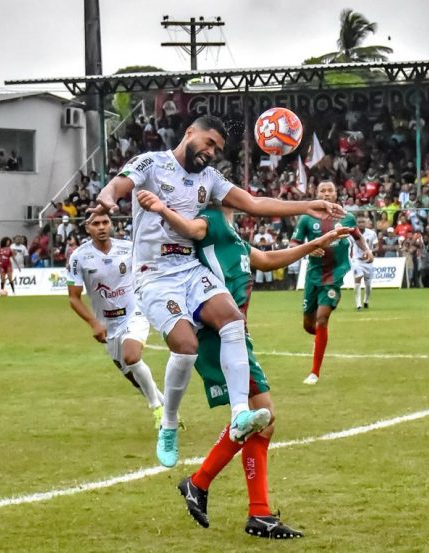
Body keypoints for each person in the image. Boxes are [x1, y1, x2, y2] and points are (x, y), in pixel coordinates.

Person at [92, 115, 344, 467]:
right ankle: (168, 424)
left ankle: (241, 411)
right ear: (190, 133)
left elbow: (254, 204)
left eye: (217, 150)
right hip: (153, 275)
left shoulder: (209, 179)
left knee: (231, 319)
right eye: (209, 144)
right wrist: (106, 198)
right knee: (186, 346)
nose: (211, 153)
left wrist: (306, 205)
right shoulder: (151, 162)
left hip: (189, 269)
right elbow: (117, 186)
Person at [145, 202, 348, 538]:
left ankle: (221, 494)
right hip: (218, 337)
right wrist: (162, 208)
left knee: (261, 422)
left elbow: (265, 259)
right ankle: (226, 496)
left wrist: (314, 244)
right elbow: (189, 231)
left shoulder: (232, 237)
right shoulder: (207, 224)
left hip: (236, 337)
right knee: (263, 416)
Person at [67, 213, 164, 427]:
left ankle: (158, 411)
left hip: (134, 313)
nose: (101, 227)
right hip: (107, 323)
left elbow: (149, 272)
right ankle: (166, 406)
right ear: (87, 228)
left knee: (132, 357)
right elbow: (73, 298)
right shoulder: (78, 257)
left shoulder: (128, 248)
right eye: (96, 224)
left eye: (105, 222)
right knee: (130, 374)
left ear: (111, 224)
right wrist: (94, 323)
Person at [290, 180, 373, 385]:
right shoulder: (307, 219)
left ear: (336, 194)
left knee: (322, 319)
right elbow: (293, 244)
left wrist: (366, 250)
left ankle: (314, 372)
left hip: (334, 275)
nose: (326, 194)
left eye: (330, 190)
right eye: (322, 191)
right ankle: (319, 337)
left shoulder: (346, 217)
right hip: (313, 274)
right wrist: (309, 248)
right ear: (317, 194)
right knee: (309, 325)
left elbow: (357, 236)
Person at [351, 215, 378, 310]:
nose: (361, 224)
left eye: (363, 222)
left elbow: (377, 247)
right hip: (357, 260)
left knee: (368, 285)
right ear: (356, 223)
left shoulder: (372, 233)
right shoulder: (353, 233)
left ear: (366, 223)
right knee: (357, 279)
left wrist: (370, 252)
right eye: (359, 222)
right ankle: (358, 304)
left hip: (368, 261)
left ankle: (366, 300)